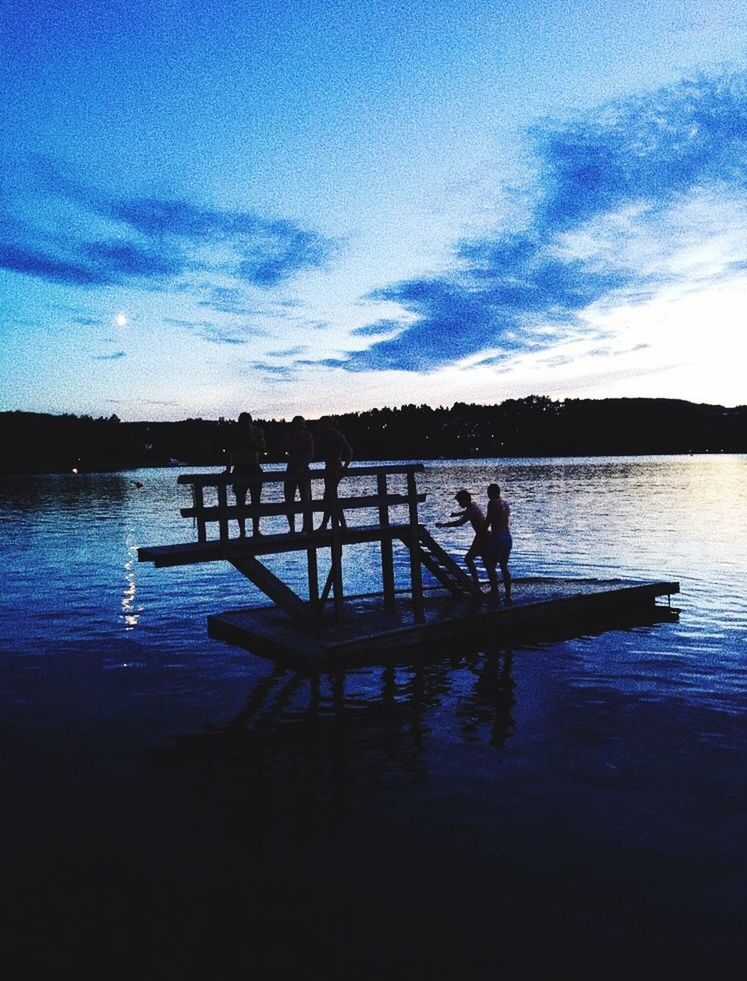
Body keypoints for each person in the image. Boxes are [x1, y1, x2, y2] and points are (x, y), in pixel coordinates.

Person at [435, 489, 488, 586]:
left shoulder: (471, 509)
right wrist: (456, 514)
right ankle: (487, 585)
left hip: (482, 537)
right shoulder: (474, 505)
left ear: (465, 500)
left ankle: (476, 582)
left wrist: (443, 525)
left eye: (460, 501)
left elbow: (459, 523)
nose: (459, 504)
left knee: (468, 559)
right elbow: (466, 512)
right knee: (486, 561)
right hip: (485, 535)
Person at [226, 412, 265, 537]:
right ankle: (242, 531)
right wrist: (228, 469)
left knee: (255, 501)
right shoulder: (234, 434)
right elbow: (230, 452)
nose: (244, 426)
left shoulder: (257, 432)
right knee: (240, 502)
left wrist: (251, 440)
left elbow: (262, 448)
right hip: (240, 467)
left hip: (253, 466)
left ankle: (255, 530)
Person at [315, 417, 352, 531]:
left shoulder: (336, 435)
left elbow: (349, 450)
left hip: (336, 468)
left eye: (322, 424)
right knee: (330, 496)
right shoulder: (323, 436)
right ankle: (332, 524)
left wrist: (346, 466)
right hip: (329, 468)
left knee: (330, 496)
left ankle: (334, 524)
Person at [282, 415, 314, 534]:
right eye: (297, 423)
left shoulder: (307, 435)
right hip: (291, 468)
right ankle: (292, 527)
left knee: (306, 499)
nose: (299, 426)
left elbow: (311, 453)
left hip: (303, 469)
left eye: (301, 423)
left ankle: (306, 527)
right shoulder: (289, 435)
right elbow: (284, 448)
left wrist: (302, 465)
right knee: (288, 499)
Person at [483, 482, 512, 603]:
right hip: (508, 536)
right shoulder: (505, 504)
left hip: (498, 537)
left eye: (488, 493)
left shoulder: (492, 503)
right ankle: (507, 594)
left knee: (490, 565)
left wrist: (481, 530)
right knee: (504, 566)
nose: (488, 495)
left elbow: (488, 521)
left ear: (493, 493)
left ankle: (494, 590)